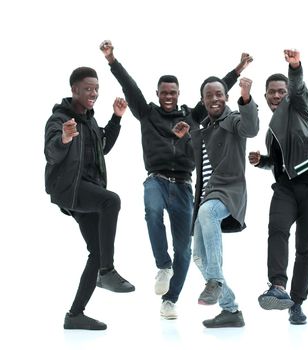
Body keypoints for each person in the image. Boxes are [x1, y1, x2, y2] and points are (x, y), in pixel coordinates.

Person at [99, 40, 253, 320]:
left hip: (184, 186)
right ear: (157, 94)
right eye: (164, 92)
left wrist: (237, 69)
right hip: (156, 179)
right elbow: (129, 86)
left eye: (173, 92)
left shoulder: (192, 116)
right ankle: (163, 265)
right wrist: (112, 60)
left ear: (179, 93)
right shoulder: (147, 114)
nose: (168, 96)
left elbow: (217, 93)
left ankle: (170, 300)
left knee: (185, 250)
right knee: (153, 209)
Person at [44, 67, 135, 331]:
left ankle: (75, 315)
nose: (93, 93)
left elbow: (103, 147)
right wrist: (63, 138)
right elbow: (51, 152)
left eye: (96, 88)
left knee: (96, 252)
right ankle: (107, 272)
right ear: (74, 90)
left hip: (88, 190)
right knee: (112, 201)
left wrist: (116, 118)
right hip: (70, 188)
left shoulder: (89, 120)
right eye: (87, 88)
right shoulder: (60, 119)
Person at [248, 49, 308, 325]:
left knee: (306, 247)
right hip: (286, 187)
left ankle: (297, 303)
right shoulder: (271, 131)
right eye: (272, 92)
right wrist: (264, 161)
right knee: (277, 228)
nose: (277, 96)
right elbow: (284, 163)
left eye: (281, 91)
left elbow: (298, 87)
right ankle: (278, 287)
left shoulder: (299, 106)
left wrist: (295, 67)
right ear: (266, 96)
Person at [173, 75, 258, 328]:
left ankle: (214, 281)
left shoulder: (232, 121)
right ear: (203, 100)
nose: (214, 99)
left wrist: (246, 98)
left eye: (219, 94)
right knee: (198, 256)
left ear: (226, 97)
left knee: (209, 213)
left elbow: (250, 128)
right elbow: (196, 160)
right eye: (209, 95)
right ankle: (230, 309)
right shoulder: (203, 130)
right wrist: (184, 139)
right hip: (205, 194)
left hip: (228, 191)